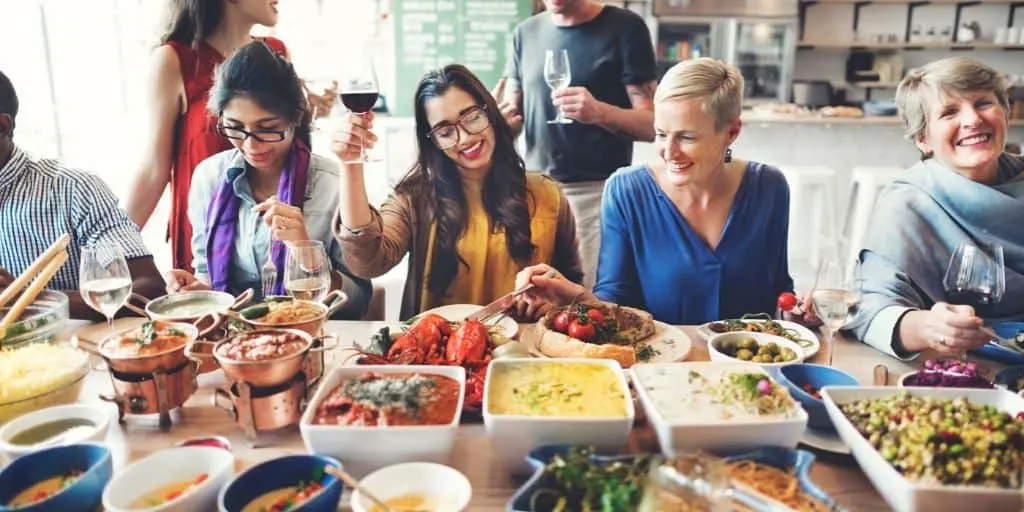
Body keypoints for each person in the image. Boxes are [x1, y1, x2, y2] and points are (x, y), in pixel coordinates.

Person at [511, 59, 794, 325]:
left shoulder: (770, 188)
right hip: (658, 368)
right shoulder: (627, 191)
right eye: (661, 134)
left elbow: (779, 293)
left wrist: (798, 313)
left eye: (686, 137)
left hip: (750, 371)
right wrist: (575, 298)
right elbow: (614, 299)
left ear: (731, 133)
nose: (668, 151)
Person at [331, 64, 583, 321]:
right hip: (434, 354)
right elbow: (368, 262)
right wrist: (350, 164)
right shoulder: (415, 196)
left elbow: (573, 287)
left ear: (490, 112)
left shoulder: (546, 193)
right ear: (432, 140)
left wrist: (555, 303)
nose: (464, 138)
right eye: (445, 131)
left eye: (472, 117)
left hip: (522, 353)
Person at [163, 41, 370, 319]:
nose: (251, 145)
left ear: (295, 118)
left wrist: (306, 254)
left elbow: (360, 299)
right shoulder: (209, 178)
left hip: (308, 338)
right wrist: (197, 290)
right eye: (235, 128)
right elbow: (209, 278)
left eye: (268, 129)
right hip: (231, 340)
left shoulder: (332, 184)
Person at [126, 0, 333, 273]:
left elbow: (289, 146)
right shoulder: (175, 60)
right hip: (210, 231)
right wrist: (115, 246)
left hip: (272, 231)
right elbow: (154, 168)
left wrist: (305, 110)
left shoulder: (275, 52)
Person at [846, 57, 1024, 359]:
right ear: (923, 138)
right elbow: (867, 309)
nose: (972, 120)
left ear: (1005, 114)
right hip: (960, 368)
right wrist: (927, 327)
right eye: (949, 112)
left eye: (983, 103)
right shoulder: (907, 203)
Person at [498, 0, 658, 288]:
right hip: (533, 194)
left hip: (593, 195)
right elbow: (514, 114)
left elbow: (653, 125)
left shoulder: (625, 28)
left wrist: (600, 112)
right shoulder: (525, 32)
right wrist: (501, 127)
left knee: (582, 301)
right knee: (530, 298)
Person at [0, 70, 165, 319]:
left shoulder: (73, 190)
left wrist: (26, 298)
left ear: (3, 126)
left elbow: (149, 291)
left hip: (74, 354)